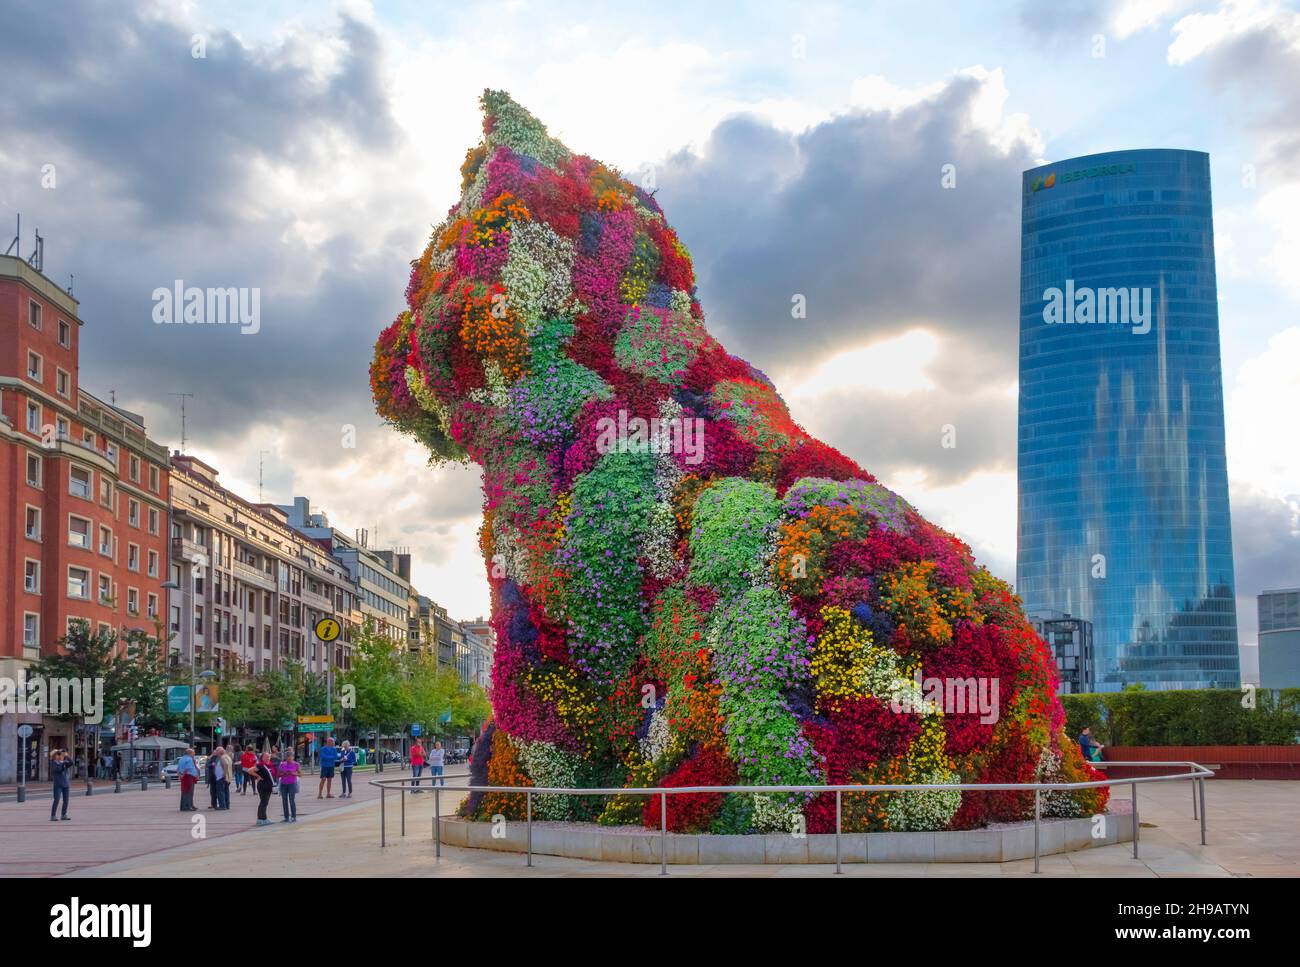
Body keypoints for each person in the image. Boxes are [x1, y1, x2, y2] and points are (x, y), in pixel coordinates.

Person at [247, 752, 275, 826]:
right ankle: (260, 819)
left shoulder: (270, 765)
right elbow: (250, 770)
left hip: (269, 786)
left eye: (268, 757)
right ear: (262, 758)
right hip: (263, 786)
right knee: (263, 802)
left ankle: (264, 818)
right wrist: (257, 776)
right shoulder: (260, 765)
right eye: (266, 757)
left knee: (265, 802)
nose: (267, 758)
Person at [276, 749, 301, 823]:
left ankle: (293, 816)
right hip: (284, 784)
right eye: (288, 757)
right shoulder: (282, 764)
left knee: (291, 800)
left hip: (292, 784)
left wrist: (293, 773)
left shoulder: (296, 764)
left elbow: (300, 774)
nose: (289, 758)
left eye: (291, 757)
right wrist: (284, 774)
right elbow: (278, 775)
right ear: (286, 758)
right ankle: (286, 817)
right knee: (284, 801)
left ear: (293, 757)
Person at [49, 749, 72, 822]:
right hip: (58, 784)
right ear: (54, 756)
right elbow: (59, 769)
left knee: (66, 800)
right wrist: (62, 762)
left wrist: (66, 755)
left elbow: (71, 763)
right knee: (57, 800)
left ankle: (63, 815)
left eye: (59, 754)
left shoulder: (63, 762)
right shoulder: (53, 763)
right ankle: (53, 815)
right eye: (57, 754)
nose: (59, 755)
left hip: (66, 784)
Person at [177, 747, 200, 811]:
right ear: (190, 753)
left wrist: (180, 775)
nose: (194, 753)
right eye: (193, 752)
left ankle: (185, 806)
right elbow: (187, 768)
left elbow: (178, 769)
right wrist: (183, 775)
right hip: (189, 777)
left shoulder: (181, 759)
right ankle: (187, 806)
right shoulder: (189, 759)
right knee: (189, 792)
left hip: (184, 777)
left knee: (184, 791)